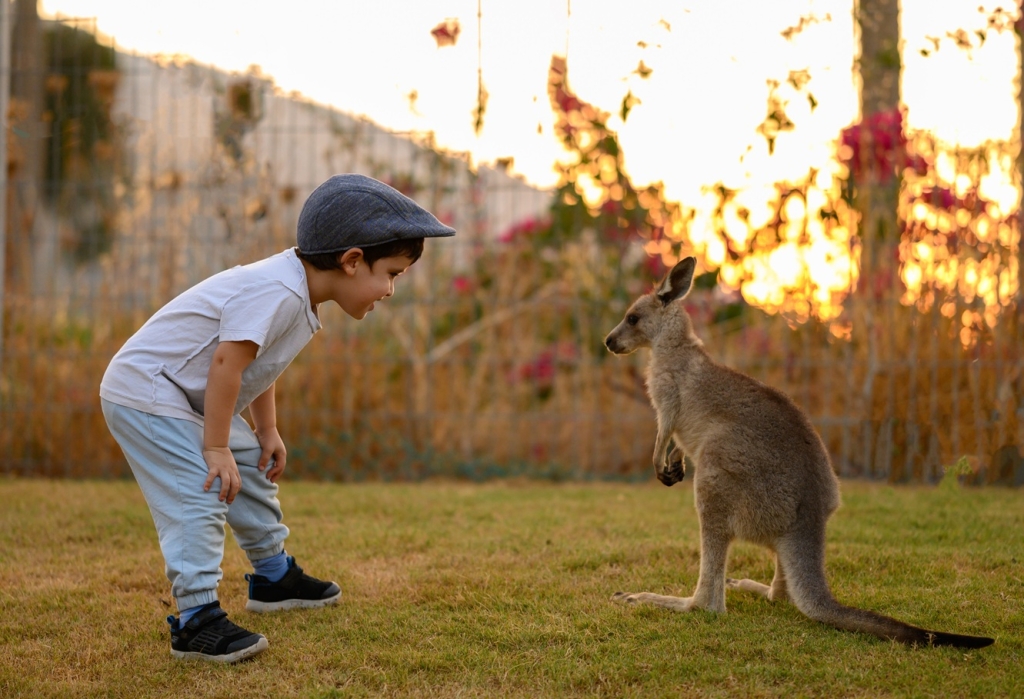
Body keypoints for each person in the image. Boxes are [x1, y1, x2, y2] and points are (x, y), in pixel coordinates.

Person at [100, 174, 455, 663]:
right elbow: (227, 363)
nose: (391, 290)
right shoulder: (278, 291)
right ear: (352, 261)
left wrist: (264, 431)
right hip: (148, 391)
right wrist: (216, 447)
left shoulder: (298, 293)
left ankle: (272, 577)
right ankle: (195, 620)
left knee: (250, 466)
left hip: (183, 395)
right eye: (391, 273)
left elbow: (256, 365)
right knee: (200, 488)